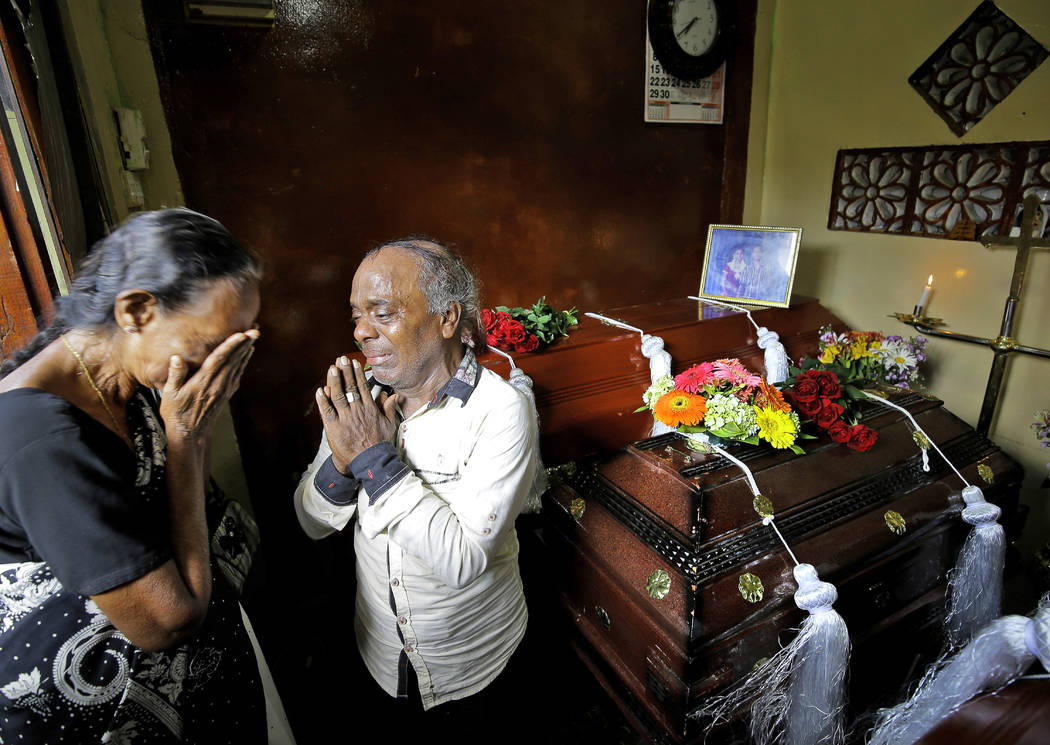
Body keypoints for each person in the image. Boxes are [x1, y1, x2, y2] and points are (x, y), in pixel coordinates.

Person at [0, 209, 287, 744]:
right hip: (91, 719)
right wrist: (189, 439)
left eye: (238, 351)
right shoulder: (42, 439)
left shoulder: (132, 385)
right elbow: (167, 621)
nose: (219, 374)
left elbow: (184, 516)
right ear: (135, 310)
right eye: (210, 351)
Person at [293, 237, 540, 733]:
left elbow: (464, 561)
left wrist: (372, 458)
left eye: (382, 313)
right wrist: (344, 464)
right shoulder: (360, 400)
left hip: (471, 663)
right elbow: (310, 522)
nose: (362, 331)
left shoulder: (501, 410)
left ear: (447, 320)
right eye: (357, 316)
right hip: (378, 653)